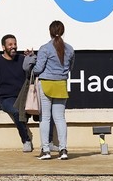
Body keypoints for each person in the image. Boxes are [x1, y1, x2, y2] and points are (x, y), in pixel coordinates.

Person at [25, 20, 75, 160]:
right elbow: (70, 67)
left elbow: (38, 69)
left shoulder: (45, 48)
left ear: (50, 32)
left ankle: (46, 150)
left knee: (45, 118)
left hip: (45, 84)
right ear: (63, 31)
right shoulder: (70, 49)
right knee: (60, 118)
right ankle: (63, 150)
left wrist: (30, 60)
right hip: (61, 85)